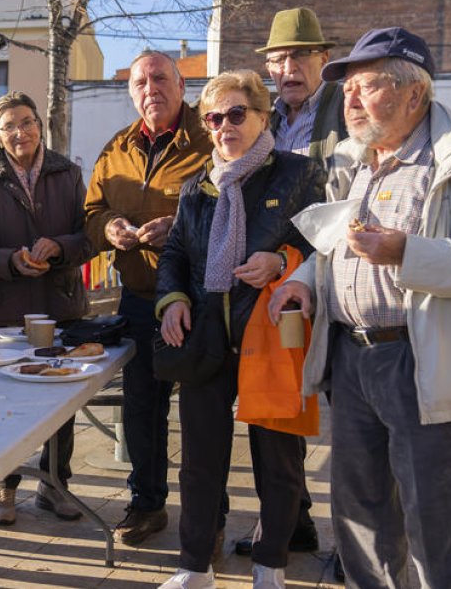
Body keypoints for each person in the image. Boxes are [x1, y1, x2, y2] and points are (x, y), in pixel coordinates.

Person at [269, 27, 451, 589]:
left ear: (415, 94)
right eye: (349, 89)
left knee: (438, 525)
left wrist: (406, 252)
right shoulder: (357, 163)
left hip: (425, 362)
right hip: (352, 361)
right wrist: (307, 281)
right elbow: (337, 244)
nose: (351, 100)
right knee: (361, 520)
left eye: (367, 86)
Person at [154, 70, 325, 589]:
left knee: (278, 462)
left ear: (261, 115)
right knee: (200, 462)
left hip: (270, 337)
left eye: (235, 114)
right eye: (213, 117)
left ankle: (270, 565)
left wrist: (281, 260)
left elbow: (325, 247)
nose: (224, 125)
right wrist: (172, 300)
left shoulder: (298, 173)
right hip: (207, 337)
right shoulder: (196, 187)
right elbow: (176, 254)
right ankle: (193, 567)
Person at [83, 50, 214, 547]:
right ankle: (147, 503)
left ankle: (209, 513)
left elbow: (229, 210)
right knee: (142, 408)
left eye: (161, 78)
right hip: (139, 297)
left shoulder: (211, 137)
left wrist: (178, 225)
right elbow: (91, 212)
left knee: (202, 412)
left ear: (183, 85)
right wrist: (109, 227)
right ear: (130, 91)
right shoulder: (117, 147)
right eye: (140, 82)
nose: (150, 89)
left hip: (199, 297)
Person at [232, 7, 342, 560]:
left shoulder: (348, 111)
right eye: (278, 58)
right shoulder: (264, 117)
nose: (288, 68)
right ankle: (290, 521)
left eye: (300, 55)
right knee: (275, 406)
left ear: (324, 59)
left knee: (349, 419)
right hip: (277, 280)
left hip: (340, 275)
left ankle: (357, 544)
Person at [0, 90, 92, 525]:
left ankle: (55, 486)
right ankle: (5, 486)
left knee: (61, 403)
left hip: (61, 308)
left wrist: (59, 247)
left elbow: (88, 236)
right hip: (6, 311)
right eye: (10, 126)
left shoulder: (69, 173)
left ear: (40, 125)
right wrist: (12, 261)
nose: (21, 132)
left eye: (27, 122)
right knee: (5, 402)